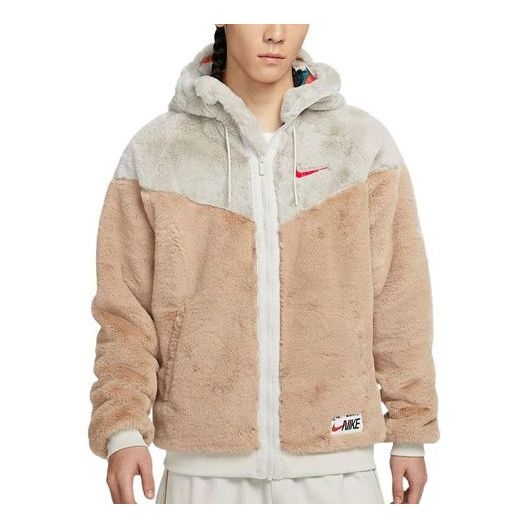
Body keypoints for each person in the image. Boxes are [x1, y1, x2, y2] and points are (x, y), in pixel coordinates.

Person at [88, 24, 440, 504]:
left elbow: (400, 294)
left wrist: (411, 430)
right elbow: (124, 310)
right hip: (203, 471)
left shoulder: (359, 144)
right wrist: (123, 429)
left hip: (337, 465)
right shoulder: (157, 151)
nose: (276, 33)